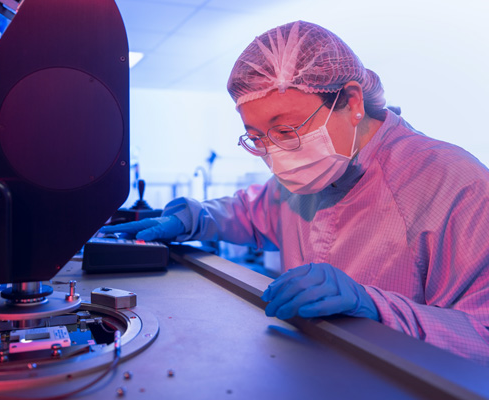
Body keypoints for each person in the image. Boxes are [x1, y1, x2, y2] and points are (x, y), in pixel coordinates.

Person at [101, 20, 489, 365]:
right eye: (256, 139)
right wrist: (194, 217)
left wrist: (374, 307)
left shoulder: (454, 183)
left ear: (351, 102)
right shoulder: (312, 175)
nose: (274, 154)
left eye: (285, 131)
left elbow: (482, 335)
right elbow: (248, 212)